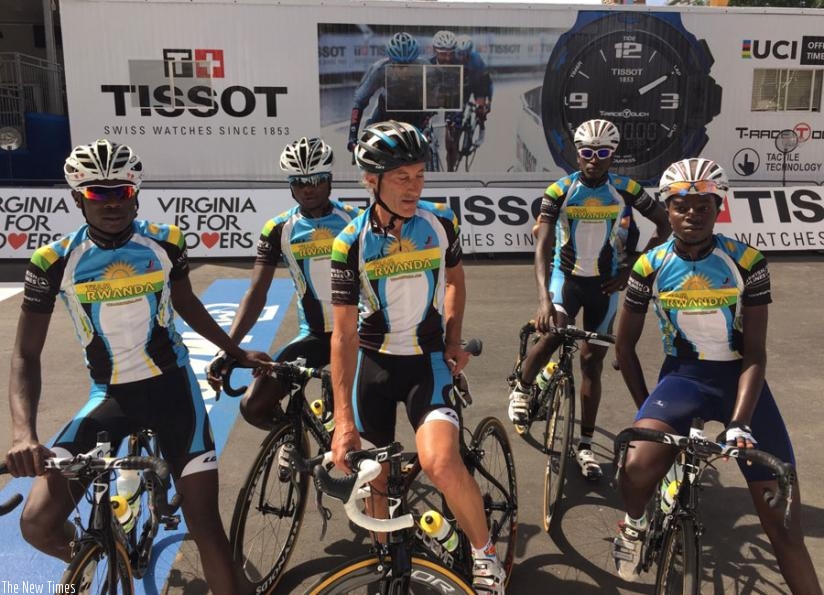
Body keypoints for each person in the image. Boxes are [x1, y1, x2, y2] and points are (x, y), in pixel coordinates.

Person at [4, 139, 272, 595]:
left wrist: (236, 350)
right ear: (76, 198)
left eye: (121, 193)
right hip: (109, 396)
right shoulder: (53, 262)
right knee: (36, 522)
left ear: (136, 194)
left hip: (174, 393)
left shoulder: (166, 241)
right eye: (97, 194)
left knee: (206, 525)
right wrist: (23, 434)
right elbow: (26, 354)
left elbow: (187, 303)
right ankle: (104, 554)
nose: (111, 204)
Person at [612, 158, 822, 594]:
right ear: (667, 210)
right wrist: (644, 411)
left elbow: (755, 352)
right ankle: (634, 525)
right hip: (681, 381)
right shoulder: (648, 266)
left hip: (741, 385)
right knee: (633, 470)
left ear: (718, 207)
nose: (691, 214)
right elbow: (624, 346)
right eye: (681, 205)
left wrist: (741, 422)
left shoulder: (746, 261)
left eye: (703, 206)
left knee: (784, 531)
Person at [330, 120, 506, 594]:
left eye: (420, 175)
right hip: (375, 365)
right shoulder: (349, 242)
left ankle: (486, 554)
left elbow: (455, 281)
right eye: (402, 177)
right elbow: (343, 336)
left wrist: (453, 339)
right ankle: (389, 557)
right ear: (372, 181)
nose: (415, 186)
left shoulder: (438, 222)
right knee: (374, 484)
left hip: (425, 363)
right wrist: (342, 418)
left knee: (441, 464)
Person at [508, 118, 671, 480]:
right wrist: (543, 299)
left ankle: (584, 444)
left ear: (613, 155)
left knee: (591, 365)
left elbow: (665, 224)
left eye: (602, 153)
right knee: (553, 333)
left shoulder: (626, 188)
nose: (594, 159)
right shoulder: (560, 190)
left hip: (604, 288)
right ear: (576, 154)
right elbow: (543, 244)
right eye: (586, 152)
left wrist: (632, 271)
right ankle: (521, 388)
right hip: (565, 280)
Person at [206, 137, 360, 430]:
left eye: (316, 179)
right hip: (314, 335)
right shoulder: (278, 228)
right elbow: (257, 292)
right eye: (299, 181)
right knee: (253, 406)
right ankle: (300, 434)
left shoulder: (355, 221)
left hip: (360, 332)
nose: (308, 187)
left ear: (330, 179)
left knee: (361, 414)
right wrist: (228, 347)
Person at [346, 31, 430, 154]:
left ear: (415, 61)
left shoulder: (426, 68)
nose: (404, 71)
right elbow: (359, 103)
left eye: (409, 65)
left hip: (416, 114)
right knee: (367, 145)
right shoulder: (379, 69)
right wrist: (352, 138)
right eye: (399, 66)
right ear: (390, 60)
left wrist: (430, 113)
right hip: (386, 112)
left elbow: (439, 94)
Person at [430, 30, 492, 172]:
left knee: (451, 142)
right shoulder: (426, 64)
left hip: (456, 103)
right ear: (434, 51)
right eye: (443, 53)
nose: (447, 58)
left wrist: (481, 105)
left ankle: (451, 170)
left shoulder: (464, 67)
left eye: (451, 53)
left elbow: (478, 88)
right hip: (434, 102)